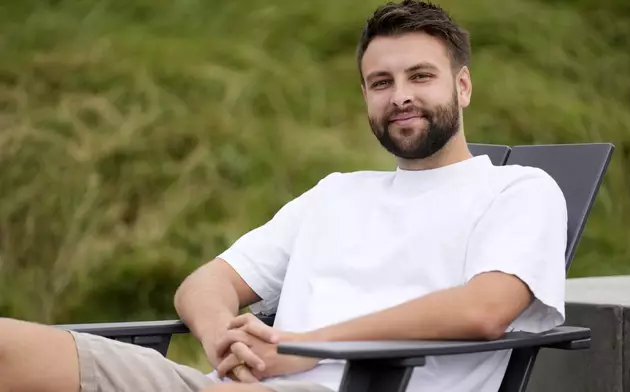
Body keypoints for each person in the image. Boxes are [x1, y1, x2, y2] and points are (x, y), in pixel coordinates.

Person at [0, 1, 568, 392]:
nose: (400, 97)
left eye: (421, 77)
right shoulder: (336, 195)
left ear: (462, 86)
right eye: (381, 83)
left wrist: (305, 347)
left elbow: (484, 309)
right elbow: (206, 282)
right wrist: (226, 339)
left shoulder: (517, 190)